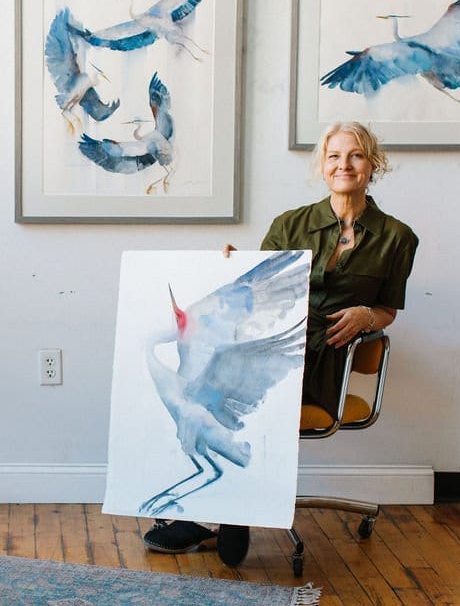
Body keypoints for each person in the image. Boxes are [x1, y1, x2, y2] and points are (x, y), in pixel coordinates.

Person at [142, 121, 419, 566]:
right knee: (208, 385)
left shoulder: (397, 237)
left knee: (237, 391)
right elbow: (256, 293)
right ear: (323, 167)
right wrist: (228, 267)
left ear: (373, 164)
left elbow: (388, 310)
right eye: (334, 156)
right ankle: (228, 509)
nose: (344, 164)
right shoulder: (291, 224)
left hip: (330, 361)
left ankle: (222, 512)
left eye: (355, 155)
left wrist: (367, 315)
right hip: (274, 349)